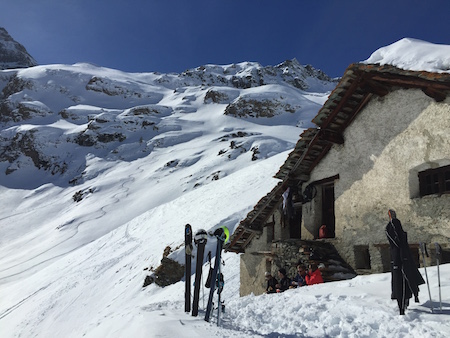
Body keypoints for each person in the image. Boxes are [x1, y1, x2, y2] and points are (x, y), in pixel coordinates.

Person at [385, 209, 425, 315]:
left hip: (403, 259)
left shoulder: (396, 227)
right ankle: (402, 307)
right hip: (399, 260)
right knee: (400, 283)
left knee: (407, 281)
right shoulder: (392, 227)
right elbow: (395, 241)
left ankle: (406, 302)